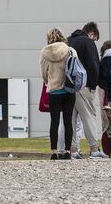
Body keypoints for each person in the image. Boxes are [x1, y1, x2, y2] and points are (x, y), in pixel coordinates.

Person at [67, 22, 109, 159]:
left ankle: (72, 150)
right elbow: (93, 65)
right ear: (92, 34)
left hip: (68, 86)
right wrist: (94, 85)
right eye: (95, 38)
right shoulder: (88, 42)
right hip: (84, 86)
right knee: (89, 117)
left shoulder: (67, 41)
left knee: (71, 119)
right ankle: (94, 149)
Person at [40, 28, 75, 159]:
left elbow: (43, 72)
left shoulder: (45, 52)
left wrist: (48, 81)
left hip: (54, 90)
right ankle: (67, 151)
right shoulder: (70, 50)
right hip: (68, 89)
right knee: (68, 121)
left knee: (54, 122)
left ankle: (54, 152)